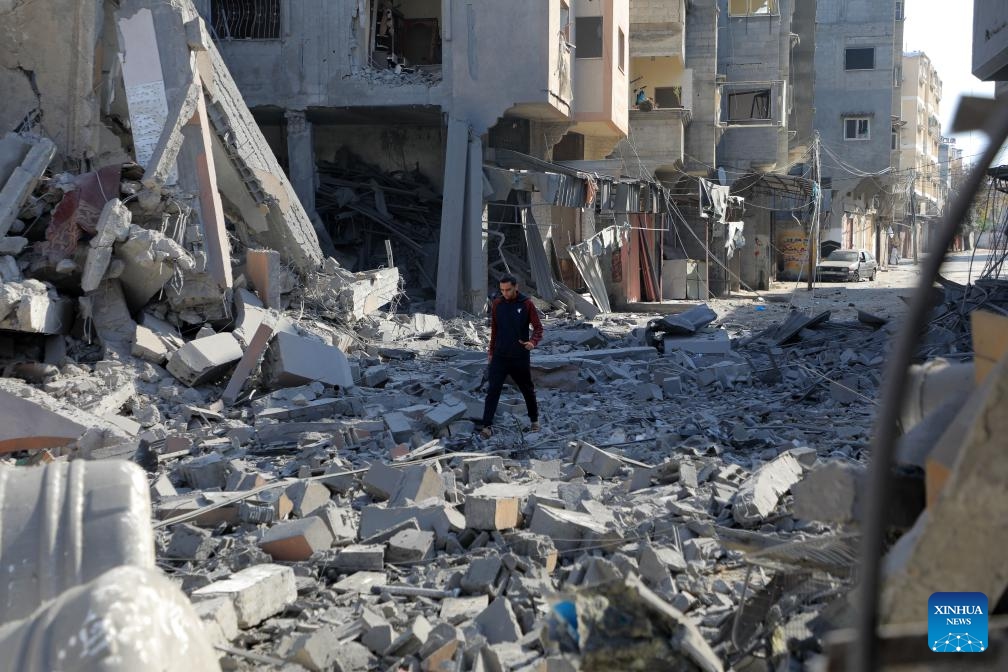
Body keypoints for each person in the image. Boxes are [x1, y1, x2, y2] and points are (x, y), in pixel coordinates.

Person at [479, 275, 543, 438]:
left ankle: (534, 421)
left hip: (519, 356)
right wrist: (491, 352)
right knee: (493, 390)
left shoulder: (526, 304)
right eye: (502, 290)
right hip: (500, 356)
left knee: (527, 389)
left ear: (516, 287)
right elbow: (494, 330)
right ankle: (486, 426)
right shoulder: (497, 304)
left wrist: (532, 343)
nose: (505, 293)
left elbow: (538, 328)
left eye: (508, 290)